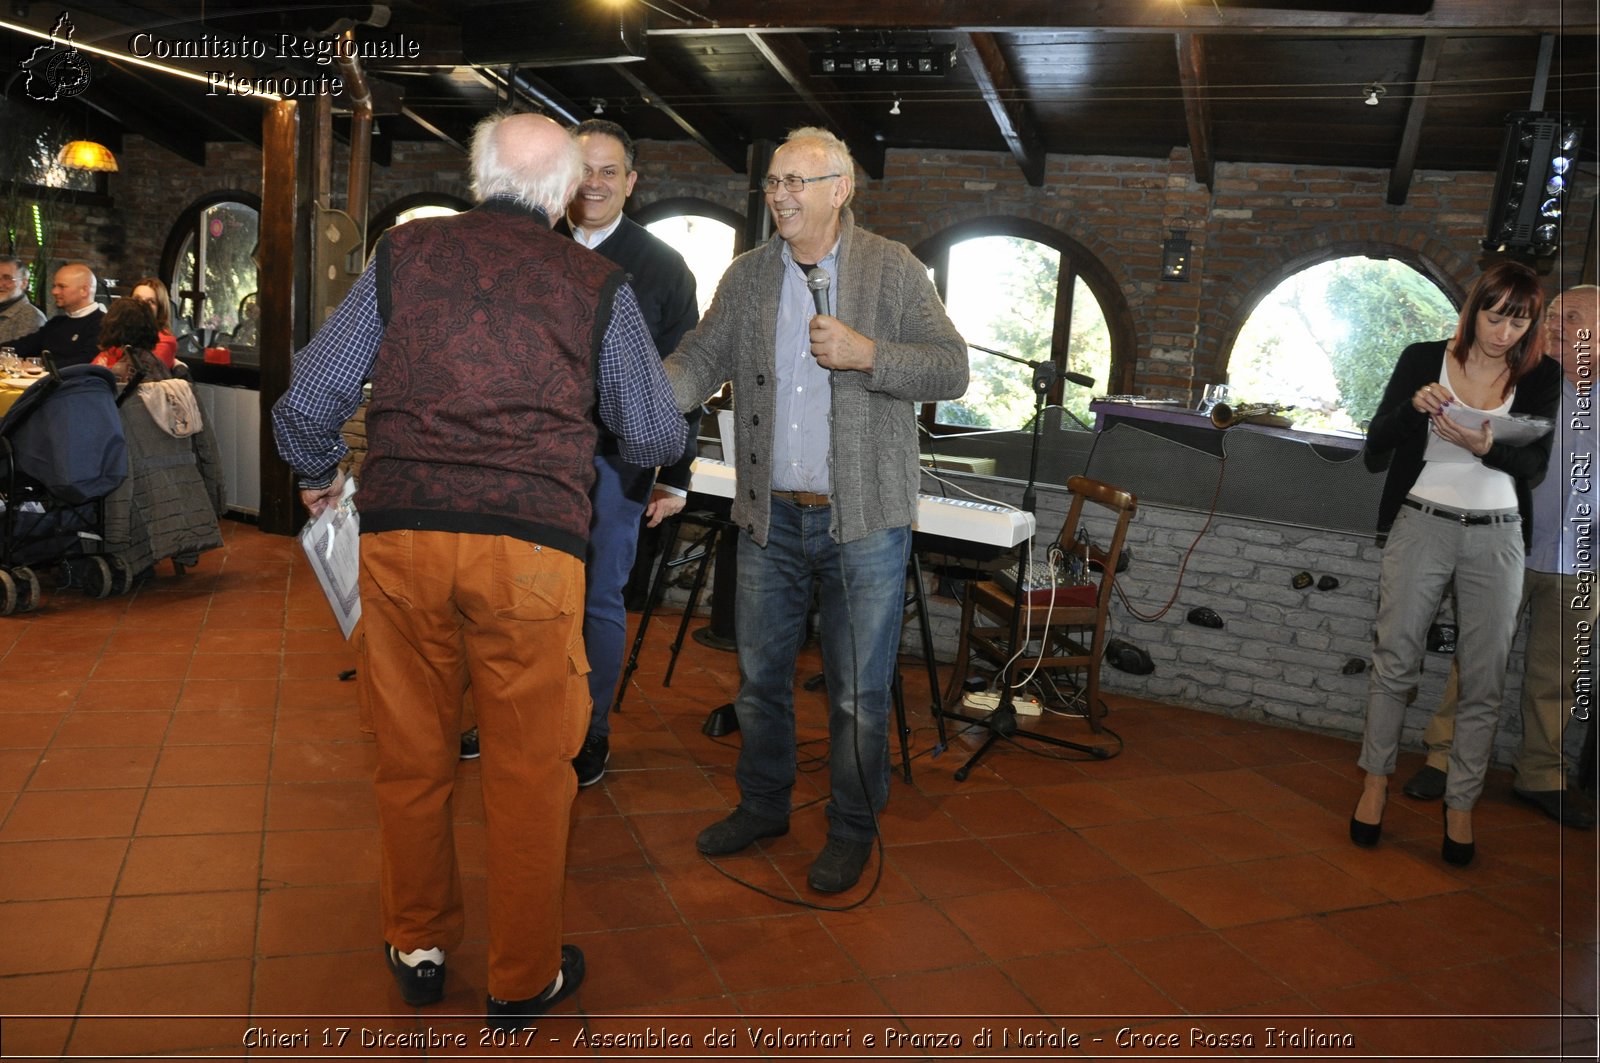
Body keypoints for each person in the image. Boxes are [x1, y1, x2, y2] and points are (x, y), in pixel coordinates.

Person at [271, 112, 686, 1030]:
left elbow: (307, 402)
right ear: (567, 189)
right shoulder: (597, 283)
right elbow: (656, 431)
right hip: (531, 551)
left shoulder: (402, 256)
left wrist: (318, 476)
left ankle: (417, 944)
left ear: (477, 176)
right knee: (534, 768)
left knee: (412, 751)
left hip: (402, 537)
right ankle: (521, 975)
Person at [661, 127, 968, 893]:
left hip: (863, 522)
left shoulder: (893, 269)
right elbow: (701, 358)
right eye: (773, 182)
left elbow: (952, 368)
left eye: (799, 181)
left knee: (859, 696)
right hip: (770, 517)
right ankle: (763, 805)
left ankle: (853, 828)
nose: (781, 196)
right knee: (759, 680)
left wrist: (870, 354)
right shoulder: (749, 276)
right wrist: (643, 391)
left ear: (841, 190)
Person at [1352, 261, 1562, 868]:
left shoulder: (1543, 376)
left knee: (1484, 677)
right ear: (1474, 311)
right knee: (1395, 659)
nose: (1503, 333)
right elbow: (1374, 448)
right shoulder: (1423, 357)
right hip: (1421, 521)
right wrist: (1413, 409)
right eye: (1494, 316)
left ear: (1531, 324)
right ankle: (1374, 784)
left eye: (1518, 321)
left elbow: (1535, 467)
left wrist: (1488, 446)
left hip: (1498, 535)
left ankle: (1462, 804)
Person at [1401, 285, 1598, 830]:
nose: (1554, 323)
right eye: (1552, 315)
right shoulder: (1523, 383)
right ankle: (1443, 760)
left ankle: (1541, 777)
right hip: (1502, 545)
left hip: (1582, 561)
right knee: (1475, 661)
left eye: (1572, 317)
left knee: (1558, 675)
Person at [554, 118, 700, 786]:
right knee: (515, 597)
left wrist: (675, 473)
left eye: (609, 170)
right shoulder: (532, 245)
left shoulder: (665, 268)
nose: (594, 182)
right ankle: (515, 716)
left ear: (631, 182)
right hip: (531, 455)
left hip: (620, 462)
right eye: (584, 168)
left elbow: (686, 376)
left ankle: (592, 729)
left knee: (598, 602)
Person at [10, 262, 105, 366]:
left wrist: (39, 365)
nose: (54, 291)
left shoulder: (103, 324)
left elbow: (87, 362)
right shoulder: (56, 323)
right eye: (54, 286)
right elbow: (24, 346)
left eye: (62, 286)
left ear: (84, 290)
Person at [128, 277, 180, 368]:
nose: (142, 305)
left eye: (150, 302)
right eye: (137, 299)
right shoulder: (120, 334)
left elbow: (143, 373)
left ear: (160, 309)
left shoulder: (165, 341)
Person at [0, 256, 46, 346]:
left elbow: (22, 356)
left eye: (7, 278)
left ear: (24, 283)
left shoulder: (31, 317)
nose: (0, 284)